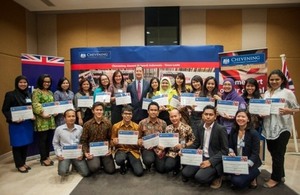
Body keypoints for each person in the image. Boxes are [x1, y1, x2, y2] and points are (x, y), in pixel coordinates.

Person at [262, 69, 299, 188]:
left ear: (282, 80)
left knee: (278, 154)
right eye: (272, 79)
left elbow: (297, 108)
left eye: (277, 79)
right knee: (273, 153)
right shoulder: (267, 93)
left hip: (282, 128)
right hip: (269, 127)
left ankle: (275, 179)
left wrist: (289, 111)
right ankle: (280, 174)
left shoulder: (287, 92)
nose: (274, 81)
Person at [181, 105, 228, 189]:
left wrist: (210, 162)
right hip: (201, 156)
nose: (208, 117)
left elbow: (224, 151)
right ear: (202, 115)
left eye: (211, 115)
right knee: (186, 173)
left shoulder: (221, 129)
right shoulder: (200, 127)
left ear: (215, 117)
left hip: (214, 159)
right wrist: (184, 150)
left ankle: (218, 176)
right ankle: (203, 171)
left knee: (200, 177)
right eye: (206, 114)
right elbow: (196, 143)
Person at [2, 75, 34, 173]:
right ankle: (19, 164)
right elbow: (5, 109)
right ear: (17, 83)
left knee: (25, 143)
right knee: (17, 144)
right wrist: (12, 119)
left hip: (27, 123)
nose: (23, 84)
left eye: (25, 82)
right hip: (16, 124)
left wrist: (32, 115)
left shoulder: (28, 94)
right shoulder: (10, 94)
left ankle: (23, 162)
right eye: (21, 82)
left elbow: (30, 107)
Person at [228, 109, 262, 189]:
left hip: (251, 163)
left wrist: (243, 167)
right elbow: (230, 146)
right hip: (237, 161)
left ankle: (253, 176)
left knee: (238, 182)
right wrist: (231, 152)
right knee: (231, 177)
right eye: (238, 116)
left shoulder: (254, 133)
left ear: (248, 119)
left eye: (243, 117)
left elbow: (255, 154)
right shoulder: (234, 130)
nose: (240, 118)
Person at [80, 102, 116, 174]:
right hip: (93, 151)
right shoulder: (87, 124)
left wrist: (110, 149)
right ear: (93, 111)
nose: (99, 112)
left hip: (105, 150)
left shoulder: (108, 123)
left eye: (101, 110)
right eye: (97, 110)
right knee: (94, 168)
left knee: (111, 170)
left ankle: (102, 161)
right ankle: (96, 161)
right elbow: (83, 140)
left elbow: (111, 138)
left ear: (103, 111)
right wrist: (86, 152)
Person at [52, 109, 90, 178]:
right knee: (62, 172)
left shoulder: (80, 128)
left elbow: (84, 142)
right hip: (65, 155)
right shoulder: (59, 129)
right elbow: (55, 143)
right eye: (69, 116)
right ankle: (69, 164)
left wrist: (82, 154)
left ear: (76, 117)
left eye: (73, 116)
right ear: (65, 118)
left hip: (77, 154)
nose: (71, 118)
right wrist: (59, 154)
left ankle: (74, 164)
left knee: (86, 173)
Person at [111, 105, 143, 176]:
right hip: (121, 149)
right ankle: (122, 165)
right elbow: (112, 141)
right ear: (122, 114)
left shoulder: (137, 127)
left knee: (139, 172)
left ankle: (129, 162)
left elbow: (140, 140)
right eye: (125, 114)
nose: (127, 116)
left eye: (129, 114)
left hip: (133, 150)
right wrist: (114, 141)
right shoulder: (116, 126)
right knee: (120, 160)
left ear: (132, 115)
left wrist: (140, 142)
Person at [32, 74, 56, 166]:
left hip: (50, 119)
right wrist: (43, 114)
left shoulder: (50, 92)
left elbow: (53, 104)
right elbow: (35, 104)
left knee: (49, 139)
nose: (47, 83)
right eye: (45, 81)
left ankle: (47, 156)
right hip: (42, 120)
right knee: (42, 140)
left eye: (48, 82)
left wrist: (55, 111)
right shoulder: (36, 92)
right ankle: (43, 158)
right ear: (41, 82)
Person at [163, 109, 195, 175]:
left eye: (175, 116)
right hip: (172, 152)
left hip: (184, 151)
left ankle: (183, 167)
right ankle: (176, 167)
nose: (174, 118)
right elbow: (165, 141)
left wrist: (184, 145)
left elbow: (193, 140)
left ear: (180, 116)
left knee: (186, 172)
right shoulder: (168, 128)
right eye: (172, 117)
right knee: (168, 167)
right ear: (169, 118)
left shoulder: (187, 127)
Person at [138, 102, 167, 172]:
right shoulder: (142, 123)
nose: (153, 112)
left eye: (155, 110)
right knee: (148, 160)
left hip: (159, 148)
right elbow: (139, 137)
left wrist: (162, 148)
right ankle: (149, 164)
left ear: (158, 112)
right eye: (151, 110)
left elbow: (166, 139)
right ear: (148, 111)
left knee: (162, 169)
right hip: (147, 149)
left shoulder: (163, 123)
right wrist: (141, 142)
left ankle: (156, 163)